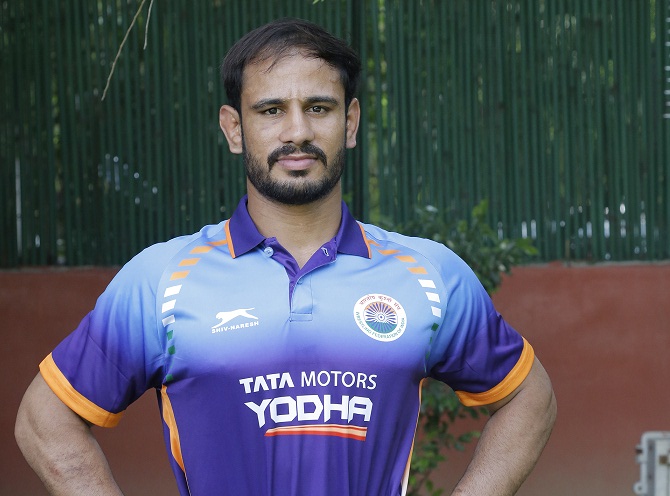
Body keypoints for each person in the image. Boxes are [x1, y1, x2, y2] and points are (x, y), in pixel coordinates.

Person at [15, 17, 556, 496]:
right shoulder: (162, 279)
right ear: (234, 128)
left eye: (318, 108)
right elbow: (45, 419)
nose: (297, 132)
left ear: (350, 122)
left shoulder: (427, 274)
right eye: (271, 110)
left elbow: (529, 398)